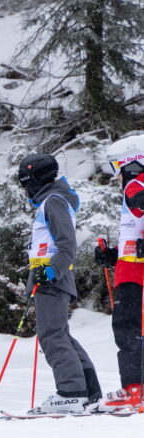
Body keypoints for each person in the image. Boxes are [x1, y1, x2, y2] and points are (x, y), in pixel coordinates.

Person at [17, 153, 102, 414]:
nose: (25, 188)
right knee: (59, 333)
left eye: (26, 182)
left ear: (35, 180)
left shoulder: (53, 201)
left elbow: (67, 245)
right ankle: (88, 390)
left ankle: (71, 392)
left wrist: (50, 272)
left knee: (51, 335)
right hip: (48, 276)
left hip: (52, 277)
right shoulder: (51, 201)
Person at [93, 135, 144, 411]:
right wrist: (111, 255)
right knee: (133, 329)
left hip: (135, 274)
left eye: (118, 166)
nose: (118, 174)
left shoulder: (136, 184)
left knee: (127, 329)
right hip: (128, 267)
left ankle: (134, 390)